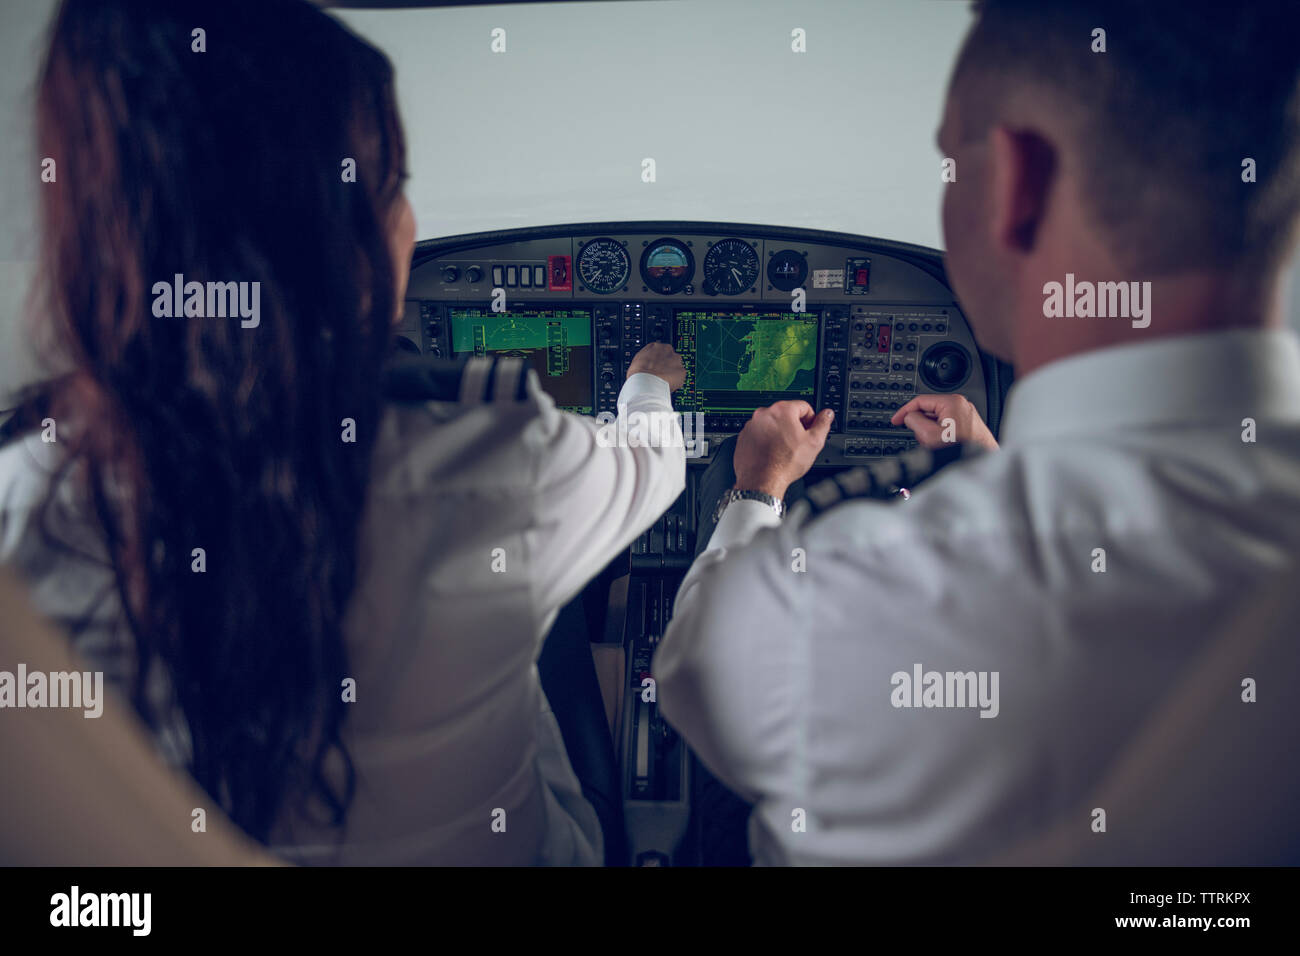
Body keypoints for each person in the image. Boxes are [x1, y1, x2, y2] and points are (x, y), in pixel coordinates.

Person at [0, 0, 686, 866]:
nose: (411, 223)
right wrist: (649, 385)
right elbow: (652, 468)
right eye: (393, 187)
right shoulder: (496, 454)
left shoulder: (15, 520)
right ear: (352, 241)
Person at [654, 0, 1300, 865]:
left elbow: (689, 667)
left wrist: (756, 490)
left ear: (1016, 183)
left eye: (951, 158)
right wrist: (995, 469)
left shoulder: (840, 599)